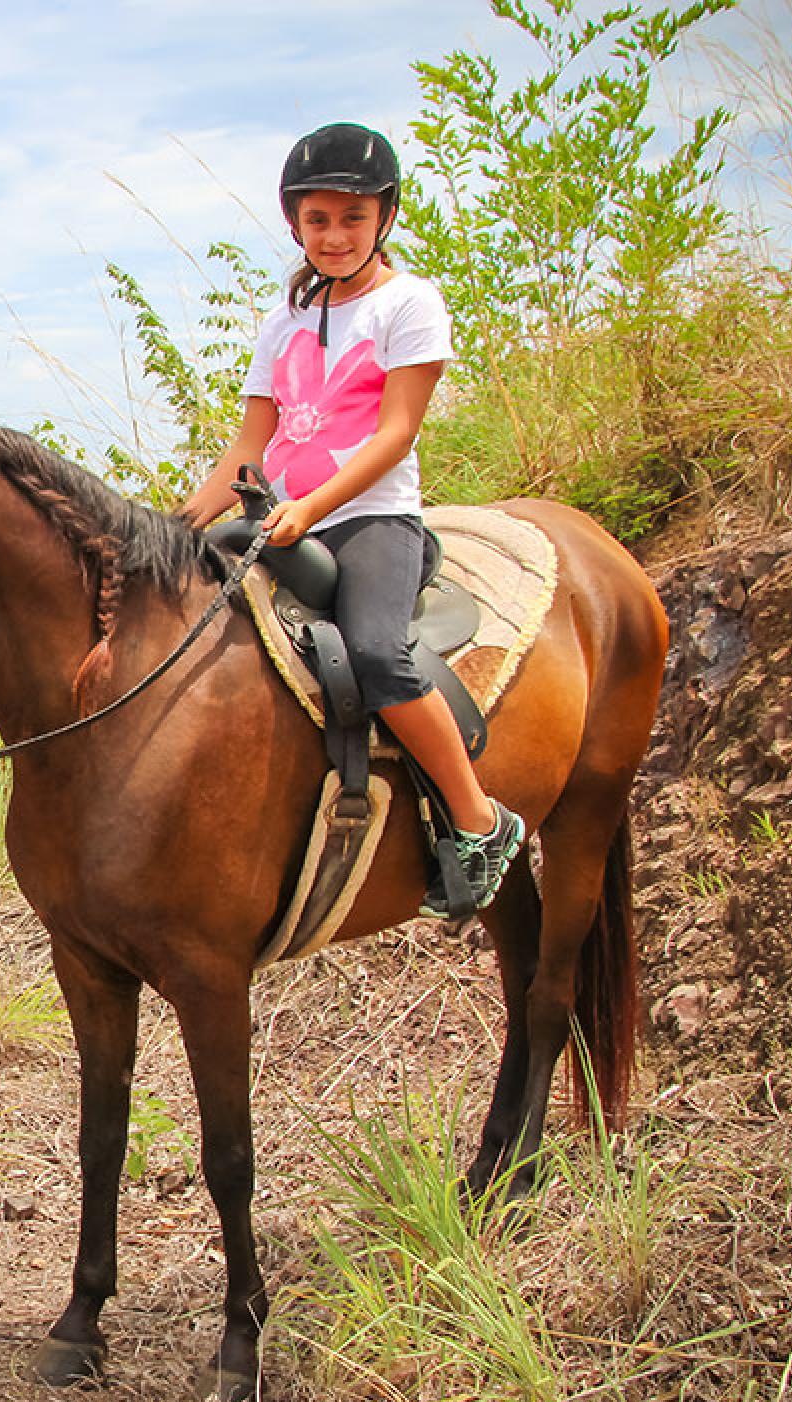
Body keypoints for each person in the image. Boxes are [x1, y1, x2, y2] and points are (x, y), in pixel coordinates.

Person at [180, 121, 525, 914]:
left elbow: (395, 432)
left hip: (370, 518)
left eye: (352, 218)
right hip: (284, 515)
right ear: (295, 223)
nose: (334, 236)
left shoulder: (410, 305)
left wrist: (310, 508)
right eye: (318, 220)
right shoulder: (282, 325)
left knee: (376, 652)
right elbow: (249, 447)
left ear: (385, 219)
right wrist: (175, 523)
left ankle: (478, 820)